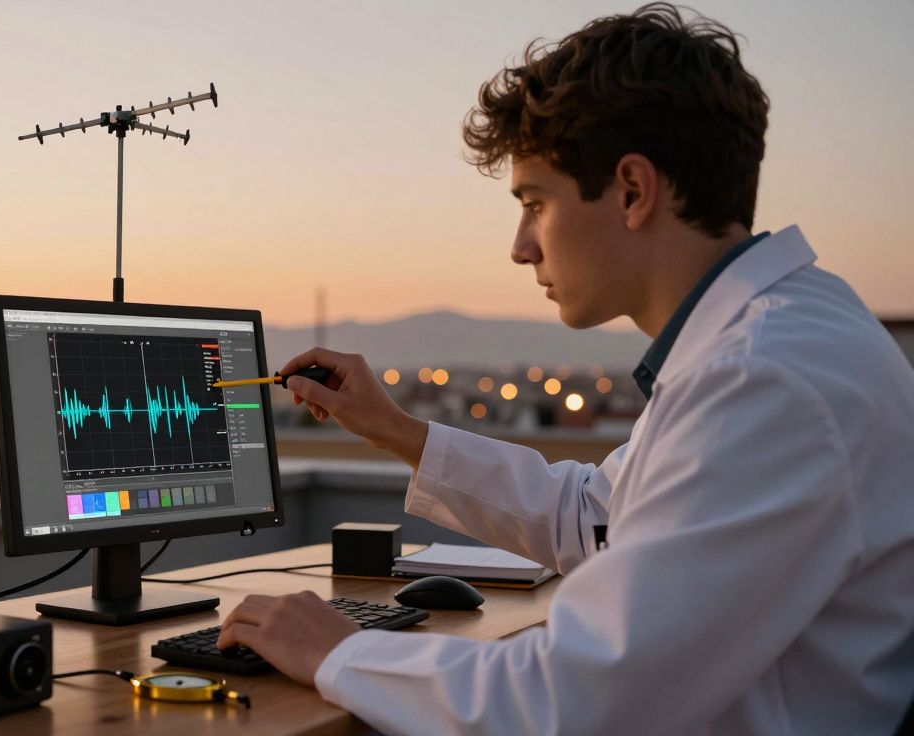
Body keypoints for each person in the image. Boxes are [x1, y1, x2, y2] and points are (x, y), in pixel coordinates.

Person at [216, 4, 914, 734]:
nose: (522, 247)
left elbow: (572, 702)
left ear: (633, 191)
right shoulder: (777, 337)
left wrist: (341, 653)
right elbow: (596, 519)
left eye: (534, 202)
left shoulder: (764, 380)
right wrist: (395, 431)